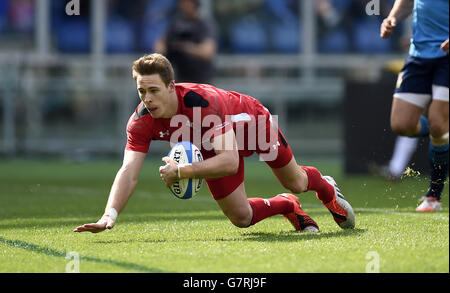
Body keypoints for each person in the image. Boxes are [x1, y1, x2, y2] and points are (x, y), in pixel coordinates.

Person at [73, 53, 355, 234]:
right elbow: (128, 172)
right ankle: (287, 206)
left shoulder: (200, 102)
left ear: (172, 87)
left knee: (296, 181)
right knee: (241, 217)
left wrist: (182, 172)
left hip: (253, 125)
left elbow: (230, 161)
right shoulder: (140, 120)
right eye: (141, 91)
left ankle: (325, 187)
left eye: (154, 90)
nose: (147, 98)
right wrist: (109, 215)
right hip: (215, 144)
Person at [380, 0, 449, 212]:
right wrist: (392, 18)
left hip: (447, 57)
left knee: (439, 124)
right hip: (418, 55)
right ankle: (444, 131)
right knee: (402, 124)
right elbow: (406, 2)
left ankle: (433, 197)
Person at [153, 0, 217, 84]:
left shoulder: (205, 24)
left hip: (201, 82)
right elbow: (160, 45)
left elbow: (207, 52)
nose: (185, 5)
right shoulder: (176, 23)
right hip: (180, 78)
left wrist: (186, 47)